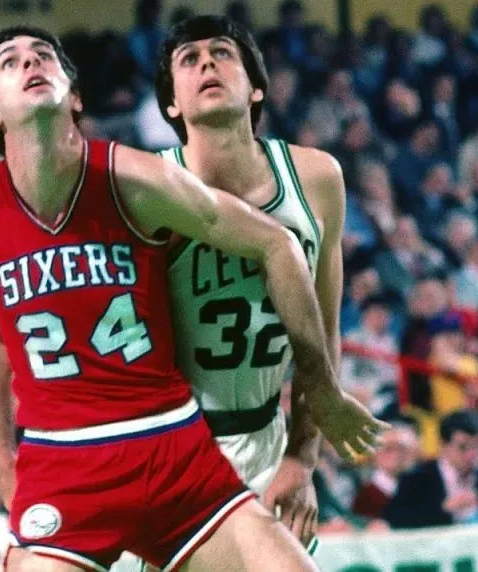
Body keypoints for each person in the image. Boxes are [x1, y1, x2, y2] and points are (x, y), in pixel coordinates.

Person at [0, 25, 386, 572]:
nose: (31, 64)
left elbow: (279, 244)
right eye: (10, 61)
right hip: (64, 456)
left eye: (45, 55)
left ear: (75, 96)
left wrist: (313, 421)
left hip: (173, 439)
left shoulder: (138, 178)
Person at [124, 16, 346, 565]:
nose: (206, 63)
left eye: (222, 53)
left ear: (257, 88)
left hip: (265, 437)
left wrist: (303, 458)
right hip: (167, 445)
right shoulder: (143, 191)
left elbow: (324, 332)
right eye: (188, 59)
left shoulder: (316, 179)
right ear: (170, 105)